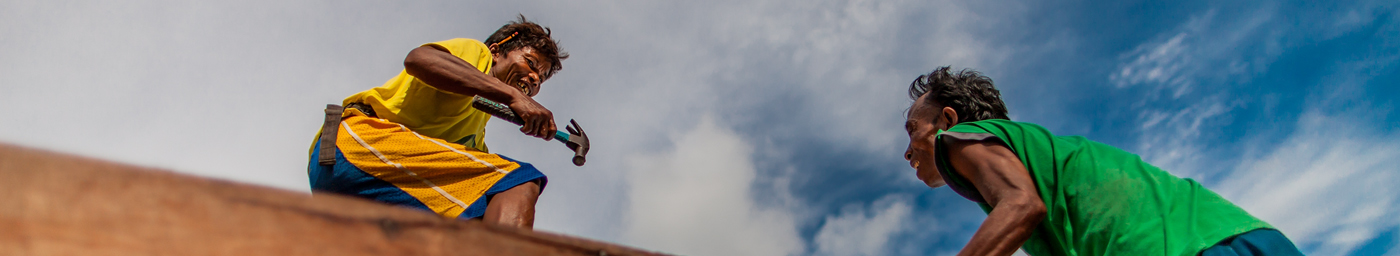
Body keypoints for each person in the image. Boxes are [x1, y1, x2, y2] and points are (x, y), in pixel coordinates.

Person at [902, 66, 1304, 256]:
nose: (907, 151)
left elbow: (1021, 205)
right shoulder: (1041, 153)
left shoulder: (956, 140)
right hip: (1243, 235)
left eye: (911, 130)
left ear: (947, 120)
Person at [307, 15, 568, 229]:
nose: (534, 78)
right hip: (354, 148)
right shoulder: (477, 55)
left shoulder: (474, 135)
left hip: (359, 183)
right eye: (531, 63)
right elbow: (419, 59)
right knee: (518, 181)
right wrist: (510, 95)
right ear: (497, 51)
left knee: (481, 210)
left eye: (541, 78)